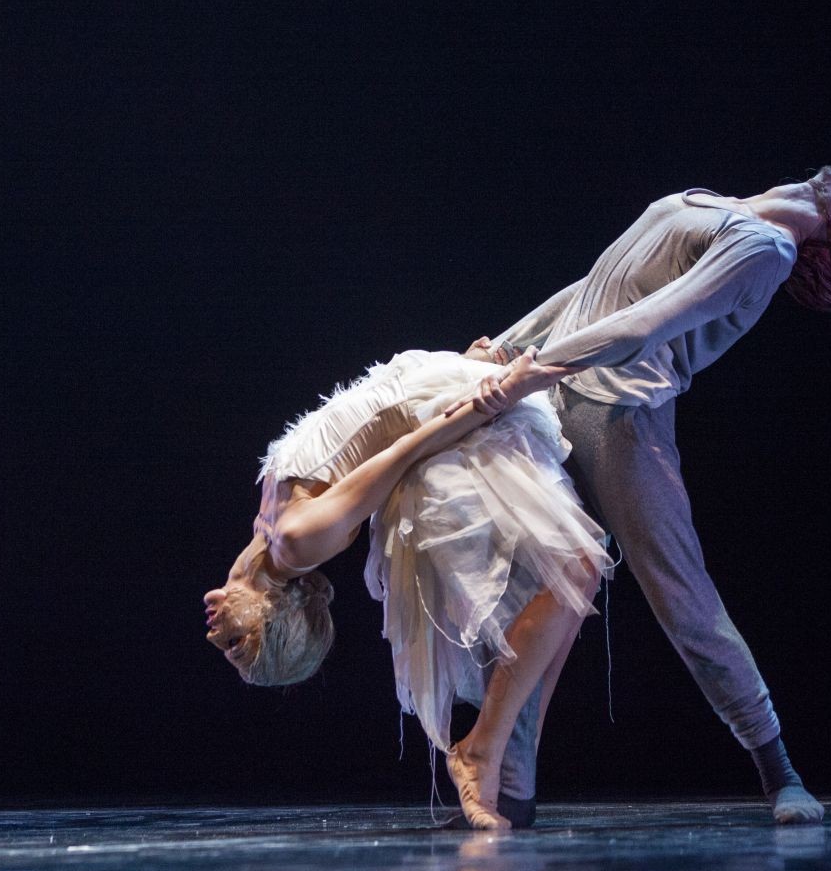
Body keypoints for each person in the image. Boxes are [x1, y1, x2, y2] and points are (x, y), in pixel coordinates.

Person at [460, 166, 831, 825]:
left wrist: (527, 374)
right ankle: (509, 786)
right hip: (562, 392)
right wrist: (509, 345)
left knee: (681, 592)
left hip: (621, 418)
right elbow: (596, 290)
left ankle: (780, 773)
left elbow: (644, 324)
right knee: (536, 582)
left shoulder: (765, 249)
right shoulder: (724, 206)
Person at [203, 347, 611, 830]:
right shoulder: (298, 539)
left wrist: (454, 365)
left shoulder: (270, 525)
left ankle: (501, 762)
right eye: (235, 642)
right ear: (269, 615)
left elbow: (361, 420)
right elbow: (403, 450)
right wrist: (500, 392)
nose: (212, 632)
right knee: (576, 568)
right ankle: (486, 752)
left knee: (577, 569)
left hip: (431, 383)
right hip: (448, 413)